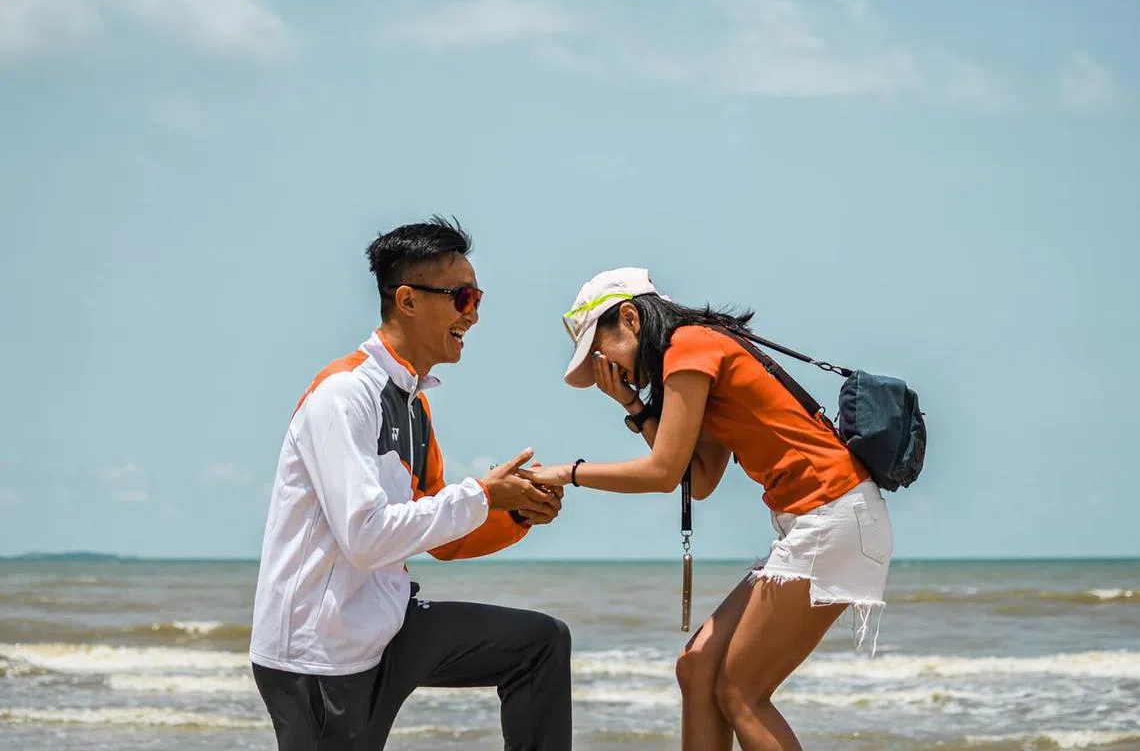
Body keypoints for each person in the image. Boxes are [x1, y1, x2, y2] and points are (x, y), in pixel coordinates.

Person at [527, 267, 893, 751]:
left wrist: (568, 472)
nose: (603, 367)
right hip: (817, 520)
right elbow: (697, 480)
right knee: (697, 666)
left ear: (632, 319)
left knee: (742, 693)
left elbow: (662, 473)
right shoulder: (695, 352)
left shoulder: (690, 347)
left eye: (601, 351)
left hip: (832, 514)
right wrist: (636, 407)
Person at [249, 217, 572, 751]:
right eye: (462, 297)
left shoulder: (413, 404)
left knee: (539, 645)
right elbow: (366, 538)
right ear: (408, 300)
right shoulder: (344, 395)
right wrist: (485, 494)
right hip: (319, 654)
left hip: (389, 628)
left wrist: (513, 514)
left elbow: (439, 534)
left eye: (477, 297)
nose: (474, 313)